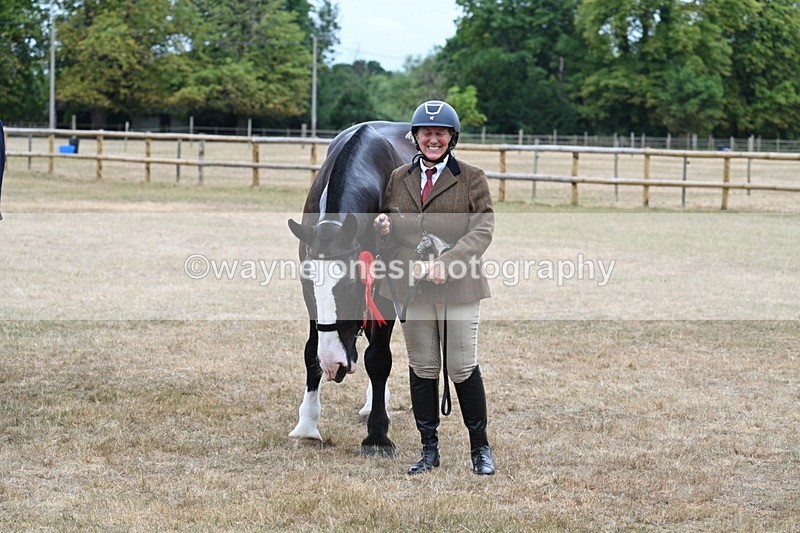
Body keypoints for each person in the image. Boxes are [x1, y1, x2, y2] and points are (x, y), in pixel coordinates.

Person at [374, 100, 496, 475]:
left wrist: (449, 263)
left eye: (440, 133)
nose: (433, 139)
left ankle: (480, 449)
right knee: (423, 367)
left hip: (458, 286)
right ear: (415, 137)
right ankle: (429, 449)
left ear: (451, 138)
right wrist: (385, 228)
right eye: (426, 133)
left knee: (460, 367)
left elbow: (483, 227)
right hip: (412, 287)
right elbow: (396, 225)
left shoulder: (472, 178)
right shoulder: (398, 178)